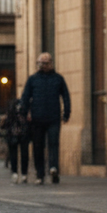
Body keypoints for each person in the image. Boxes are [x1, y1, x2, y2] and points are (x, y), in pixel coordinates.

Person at [21, 52, 71, 184]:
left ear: (51, 63)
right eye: (40, 63)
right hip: (37, 119)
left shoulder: (58, 79)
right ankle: (40, 174)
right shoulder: (33, 79)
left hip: (53, 117)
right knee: (38, 147)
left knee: (53, 144)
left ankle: (53, 168)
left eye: (45, 63)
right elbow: (25, 97)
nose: (42, 65)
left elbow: (65, 96)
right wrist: (24, 113)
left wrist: (66, 112)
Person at [1, 98, 30, 183]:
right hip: (19, 134)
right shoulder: (21, 114)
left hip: (15, 134)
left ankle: (16, 173)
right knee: (22, 154)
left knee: (17, 154)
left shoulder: (10, 113)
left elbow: (4, 126)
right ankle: (22, 173)